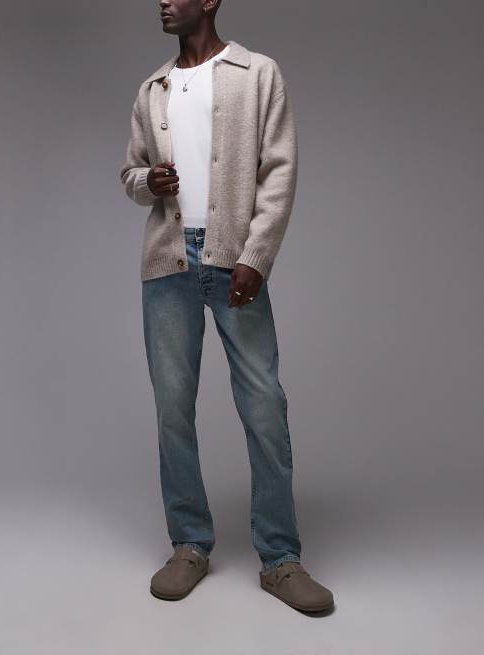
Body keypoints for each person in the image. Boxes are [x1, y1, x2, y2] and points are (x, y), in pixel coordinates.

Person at [119, 0, 334, 613]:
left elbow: (280, 170)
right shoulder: (153, 88)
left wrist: (256, 255)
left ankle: (280, 557)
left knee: (264, 404)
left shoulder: (257, 73)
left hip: (234, 256)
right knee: (172, 409)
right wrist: (149, 183)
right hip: (168, 264)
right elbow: (130, 173)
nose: (163, 2)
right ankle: (189, 543)